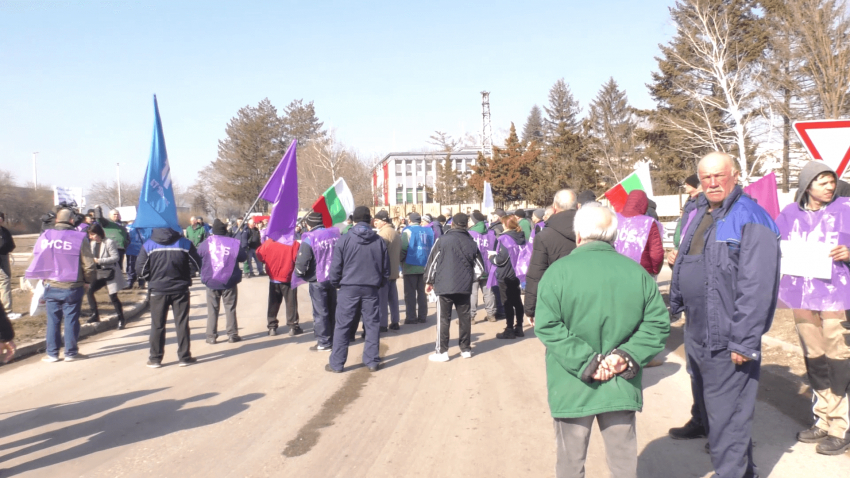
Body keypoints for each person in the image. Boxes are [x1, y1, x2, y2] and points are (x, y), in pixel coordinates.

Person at [535, 206, 670, 478]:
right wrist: (624, 356)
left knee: (570, 463)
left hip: (572, 383)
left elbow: (547, 325)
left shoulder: (557, 273)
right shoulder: (637, 273)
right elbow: (657, 323)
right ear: (613, 235)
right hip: (620, 382)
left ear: (579, 234)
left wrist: (588, 362)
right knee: (623, 464)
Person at [669, 152, 781, 478]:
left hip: (728, 333)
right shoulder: (702, 213)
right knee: (719, 413)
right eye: (706, 177)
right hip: (698, 330)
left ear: (735, 175)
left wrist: (744, 341)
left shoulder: (750, 217)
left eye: (719, 175)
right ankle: (743, 472)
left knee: (728, 416)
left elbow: (757, 286)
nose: (713, 182)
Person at [776, 161, 850, 455]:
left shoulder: (846, 208)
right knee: (815, 358)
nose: (829, 186)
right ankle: (823, 417)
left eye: (831, 181)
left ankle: (842, 426)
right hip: (801, 297)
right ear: (807, 186)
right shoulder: (789, 214)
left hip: (837, 297)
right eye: (822, 182)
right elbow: (772, 244)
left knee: (838, 358)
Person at [667, 173, 707, 440]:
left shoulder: (738, 213)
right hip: (695, 305)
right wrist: (676, 260)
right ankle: (701, 419)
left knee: (718, 371)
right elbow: (686, 251)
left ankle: (724, 433)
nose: (691, 193)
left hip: (719, 305)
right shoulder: (693, 213)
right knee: (696, 366)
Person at [27, 209, 96, 362]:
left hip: (51, 285)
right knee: (71, 319)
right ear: (72, 220)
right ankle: (70, 353)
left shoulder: (45, 236)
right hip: (73, 285)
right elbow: (89, 265)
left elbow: (35, 260)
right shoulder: (79, 238)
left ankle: (52, 354)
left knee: (53, 321)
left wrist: (39, 281)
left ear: (57, 220)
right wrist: (87, 281)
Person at [326, 206, 389, 373]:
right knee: (372, 325)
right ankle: (372, 361)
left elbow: (335, 267)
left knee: (343, 326)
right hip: (371, 288)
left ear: (353, 220)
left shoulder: (344, 239)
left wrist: (336, 283)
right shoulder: (379, 241)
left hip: (349, 288)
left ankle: (337, 363)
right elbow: (386, 269)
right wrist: (378, 283)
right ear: (370, 220)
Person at [136, 226, 202, 368]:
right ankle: (184, 357)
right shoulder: (184, 243)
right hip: (180, 289)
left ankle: (155, 359)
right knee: (182, 323)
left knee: (157, 325)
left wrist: (151, 278)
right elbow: (197, 263)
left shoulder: (148, 244)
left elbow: (140, 269)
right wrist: (187, 274)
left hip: (157, 290)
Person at [424, 213, 484, 362]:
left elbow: (433, 262)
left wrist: (429, 281)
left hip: (444, 286)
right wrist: (470, 279)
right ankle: (465, 349)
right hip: (464, 287)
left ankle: (442, 351)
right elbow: (480, 268)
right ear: (466, 225)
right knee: (464, 319)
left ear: (453, 224)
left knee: (443, 319)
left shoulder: (442, 240)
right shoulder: (471, 242)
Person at [524, 189, 578, 324]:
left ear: (554, 208)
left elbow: (536, 273)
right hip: (588, 297)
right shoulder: (591, 230)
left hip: (557, 300)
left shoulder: (544, 236)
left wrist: (530, 308)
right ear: (577, 207)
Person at [295, 212, 340, 351]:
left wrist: (299, 273)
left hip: (317, 279)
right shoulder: (333, 234)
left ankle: (324, 342)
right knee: (332, 308)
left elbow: (302, 262)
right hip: (332, 277)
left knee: (320, 312)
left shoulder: (309, 238)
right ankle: (334, 338)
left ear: (308, 225)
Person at [198, 219, 247, 344]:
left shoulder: (206, 243)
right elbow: (243, 257)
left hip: (211, 280)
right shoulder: (233, 243)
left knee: (212, 309)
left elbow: (199, 254)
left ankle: (211, 336)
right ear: (225, 230)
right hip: (229, 280)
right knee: (230, 308)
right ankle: (232, 334)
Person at [490, 214, 527, 339]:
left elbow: (501, 258)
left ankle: (509, 329)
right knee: (517, 300)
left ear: (506, 224)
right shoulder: (520, 236)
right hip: (517, 271)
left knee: (507, 302)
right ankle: (519, 327)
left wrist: (492, 258)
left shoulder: (505, 238)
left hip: (506, 273)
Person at [83, 223, 127, 328]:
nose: (90, 237)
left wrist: (99, 261)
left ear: (98, 233)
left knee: (113, 296)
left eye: (92, 234)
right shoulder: (93, 244)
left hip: (110, 272)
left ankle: (121, 318)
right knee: (89, 291)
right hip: (99, 273)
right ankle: (95, 314)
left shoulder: (109, 242)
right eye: (90, 235)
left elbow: (115, 258)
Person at [256, 234, 301, 336]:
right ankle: (293, 326)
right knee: (291, 303)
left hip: (273, 277)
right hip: (288, 277)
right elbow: (297, 258)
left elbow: (259, 254)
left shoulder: (269, 243)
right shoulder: (294, 244)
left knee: (273, 303)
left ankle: (272, 327)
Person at [614, 190, 664, 276]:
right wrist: (655, 271)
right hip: (642, 272)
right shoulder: (649, 223)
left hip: (616, 269)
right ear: (644, 204)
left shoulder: (613, 218)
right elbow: (656, 254)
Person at [401, 212, 434, 325]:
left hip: (410, 265)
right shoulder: (428, 231)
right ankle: (422, 316)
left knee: (410, 294)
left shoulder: (407, 231)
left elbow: (403, 247)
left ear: (409, 220)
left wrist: (400, 261)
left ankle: (411, 317)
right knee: (422, 293)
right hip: (425, 266)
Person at [468, 211, 501, 322]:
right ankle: (491, 315)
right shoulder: (491, 233)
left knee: (472, 292)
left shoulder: (470, 234)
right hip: (488, 266)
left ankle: (471, 316)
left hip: (474, 267)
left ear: (474, 221)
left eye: (470, 219)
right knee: (488, 292)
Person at [374, 210, 401, 331]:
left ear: (383, 221)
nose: (375, 223)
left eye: (377, 221)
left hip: (384, 271)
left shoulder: (383, 235)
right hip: (394, 270)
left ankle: (382, 324)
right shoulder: (395, 233)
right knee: (393, 299)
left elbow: (378, 253)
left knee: (382, 301)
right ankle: (395, 321)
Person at [94, 207, 130, 273]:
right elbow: (99, 218)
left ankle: (118, 279)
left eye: (117, 214)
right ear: (110, 215)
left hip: (121, 247)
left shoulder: (122, 224)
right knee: (111, 265)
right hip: (111, 247)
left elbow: (126, 235)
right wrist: (97, 209)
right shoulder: (107, 223)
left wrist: (127, 242)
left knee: (119, 266)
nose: (116, 216)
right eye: (114, 214)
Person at [0, 211, 20, 320]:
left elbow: (11, 244)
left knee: (5, 281)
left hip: (4, 257)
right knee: (4, 281)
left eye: (1, 217)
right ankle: (7, 311)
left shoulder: (4, 231)